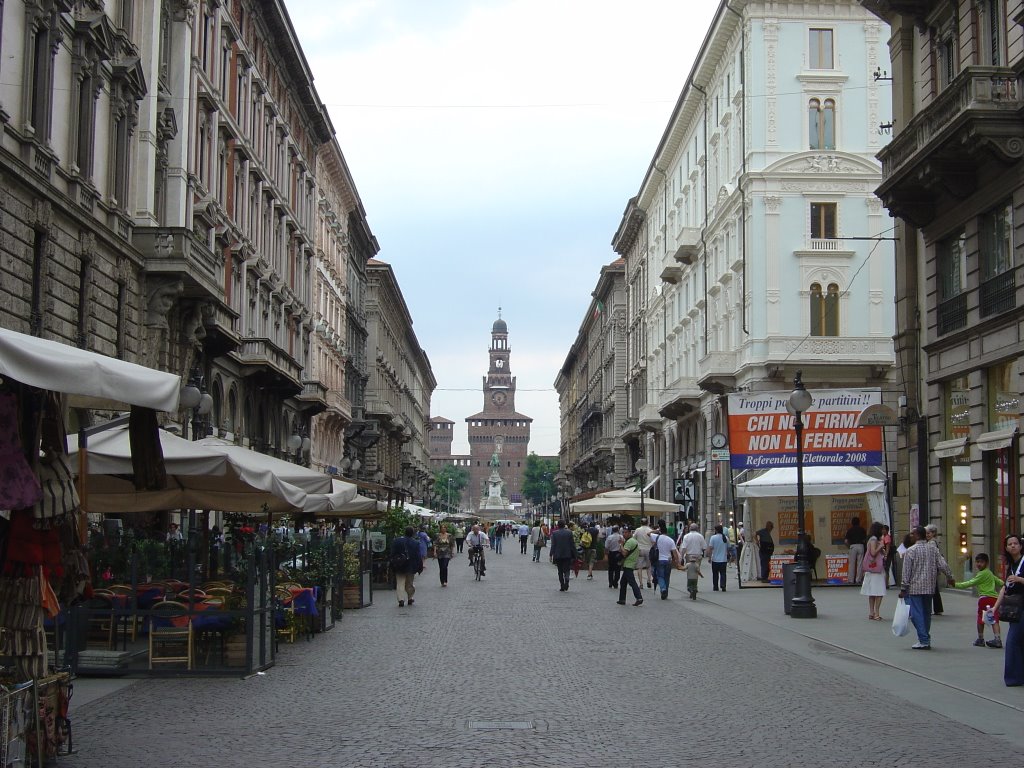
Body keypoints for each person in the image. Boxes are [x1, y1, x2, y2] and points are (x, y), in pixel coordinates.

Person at [899, 525, 952, 650]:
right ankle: (925, 637)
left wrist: (903, 588)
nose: (910, 535)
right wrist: (950, 576)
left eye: (912, 534)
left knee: (915, 613)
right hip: (929, 587)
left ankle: (923, 639)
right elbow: (942, 563)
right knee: (927, 613)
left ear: (917, 535)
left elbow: (906, 572)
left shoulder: (910, 551)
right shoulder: (932, 549)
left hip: (915, 587)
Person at [991, 535, 1024, 685]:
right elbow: (1005, 588)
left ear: (1020, 546)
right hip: (1015, 608)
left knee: (1012, 641)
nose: (1013, 546)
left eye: (1015, 543)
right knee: (1019, 641)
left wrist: (1020, 580)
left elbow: (1013, 582)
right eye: (1010, 544)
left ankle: (1013, 678)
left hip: (1021, 607)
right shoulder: (1011, 565)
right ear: (1006, 548)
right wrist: (995, 608)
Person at [953, 552, 1003, 648]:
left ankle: (980, 639)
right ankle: (997, 639)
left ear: (986, 563)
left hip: (984, 599)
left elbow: (969, 583)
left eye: (981, 562)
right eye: (977, 562)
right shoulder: (989, 573)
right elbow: (1000, 582)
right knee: (994, 619)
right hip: (994, 599)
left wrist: (955, 584)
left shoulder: (981, 574)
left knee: (981, 619)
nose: (979, 564)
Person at [860, 521, 887, 620]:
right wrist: (880, 546)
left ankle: (871, 612)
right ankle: (877, 613)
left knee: (871, 592)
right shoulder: (874, 539)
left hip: (871, 569)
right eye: (882, 529)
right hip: (876, 570)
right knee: (879, 591)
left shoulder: (872, 539)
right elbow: (873, 553)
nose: (883, 531)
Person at [391, 526, 424, 607]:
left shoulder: (397, 541)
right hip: (410, 566)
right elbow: (418, 556)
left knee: (400, 583)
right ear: (412, 533)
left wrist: (393, 563)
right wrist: (419, 566)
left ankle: (401, 599)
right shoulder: (415, 543)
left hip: (399, 565)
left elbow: (392, 553)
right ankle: (410, 597)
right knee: (409, 583)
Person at [650, 521, 680, 600]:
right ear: (667, 532)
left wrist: (656, 531)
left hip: (660, 560)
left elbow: (648, 533)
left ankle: (662, 589)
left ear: (660, 531)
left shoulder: (657, 537)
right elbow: (674, 552)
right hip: (668, 560)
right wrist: (677, 562)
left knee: (660, 576)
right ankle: (665, 591)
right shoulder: (670, 540)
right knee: (667, 577)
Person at [616, 527, 643, 607]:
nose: (624, 534)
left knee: (632, 582)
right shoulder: (634, 541)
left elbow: (624, 553)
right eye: (623, 532)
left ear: (630, 533)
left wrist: (621, 545)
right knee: (623, 582)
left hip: (628, 564)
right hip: (630, 564)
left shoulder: (629, 542)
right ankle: (622, 599)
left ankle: (639, 598)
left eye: (626, 532)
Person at [679, 523, 707, 599]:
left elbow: (684, 548)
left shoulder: (686, 536)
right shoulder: (700, 536)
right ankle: (695, 587)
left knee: (690, 571)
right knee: (696, 571)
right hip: (698, 555)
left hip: (689, 555)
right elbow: (704, 547)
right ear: (697, 529)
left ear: (690, 529)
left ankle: (690, 587)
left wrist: (681, 557)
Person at [549, 520, 576, 592]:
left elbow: (553, 545)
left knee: (560, 570)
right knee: (567, 569)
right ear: (564, 525)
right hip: (567, 554)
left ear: (558, 525)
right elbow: (572, 544)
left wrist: (551, 554)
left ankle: (562, 585)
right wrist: (575, 554)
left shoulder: (554, 533)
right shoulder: (569, 532)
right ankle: (567, 579)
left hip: (558, 555)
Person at [925, 524, 944, 615]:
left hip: (932, 567)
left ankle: (937, 608)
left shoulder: (932, 543)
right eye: (926, 533)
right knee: (935, 588)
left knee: (933, 589)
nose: (927, 535)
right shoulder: (933, 541)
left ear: (933, 533)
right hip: (935, 567)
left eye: (929, 533)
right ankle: (938, 608)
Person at [844, 516, 868, 585]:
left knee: (851, 563)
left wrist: (849, 546)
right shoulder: (862, 529)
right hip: (861, 546)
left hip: (853, 546)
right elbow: (864, 539)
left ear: (852, 523)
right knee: (860, 563)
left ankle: (851, 580)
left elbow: (846, 541)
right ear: (859, 522)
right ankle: (858, 580)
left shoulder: (850, 530)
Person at [707, 524, 730, 592]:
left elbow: (710, 548)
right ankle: (723, 585)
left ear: (716, 530)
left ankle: (715, 586)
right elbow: (729, 548)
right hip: (723, 559)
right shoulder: (725, 538)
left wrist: (709, 557)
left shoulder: (713, 538)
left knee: (715, 573)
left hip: (715, 559)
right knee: (723, 573)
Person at [633, 521, 654, 589]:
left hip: (640, 549)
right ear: (647, 523)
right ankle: (649, 580)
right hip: (649, 549)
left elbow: (634, 538)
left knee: (639, 567)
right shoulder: (650, 530)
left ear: (641, 523)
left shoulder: (638, 530)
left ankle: (641, 583)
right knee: (649, 566)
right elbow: (653, 540)